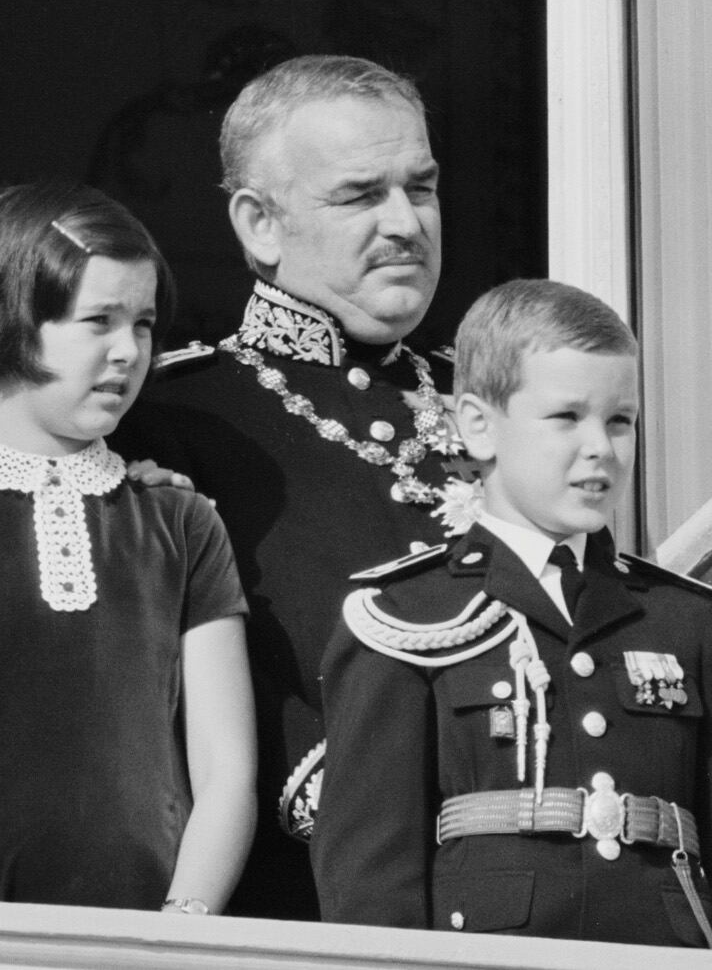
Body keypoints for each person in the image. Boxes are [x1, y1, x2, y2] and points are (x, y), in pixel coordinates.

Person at [310, 280, 712, 950]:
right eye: (566, 417)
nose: (601, 447)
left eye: (620, 420)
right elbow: (369, 885)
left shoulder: (686, 620)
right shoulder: (406, 615)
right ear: (478, 424)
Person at [110, 54, 467, 920]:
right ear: (259, 223)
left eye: (419, 187)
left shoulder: (501, 406)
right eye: (359, 195)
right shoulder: (167, 416)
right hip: (304, 904)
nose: (405, 222)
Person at [0, 183, 257, 912]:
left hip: (151, 947)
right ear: (7, 316)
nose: (128, 350)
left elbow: (228, 775)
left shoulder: (183, 522)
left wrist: (181, 931)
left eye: (144, 323)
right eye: (98, 319)